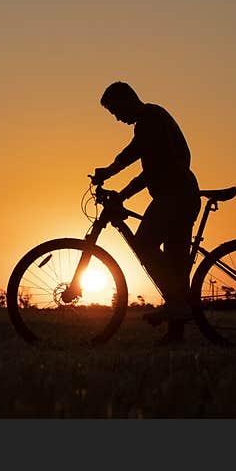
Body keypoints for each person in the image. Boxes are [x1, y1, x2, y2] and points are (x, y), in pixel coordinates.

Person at [91, 81, 200, 344]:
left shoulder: (150, 119)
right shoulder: (153, 119)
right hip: (179, 195)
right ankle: (176, 333)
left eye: (116, 111)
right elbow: (148, 170)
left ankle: (176, 306)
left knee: (145, 244)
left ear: (128, 100)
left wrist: (110, 173)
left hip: (175, 197)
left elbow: (135, 154)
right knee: (175, 264)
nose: (117, 118)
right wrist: (122, 191)